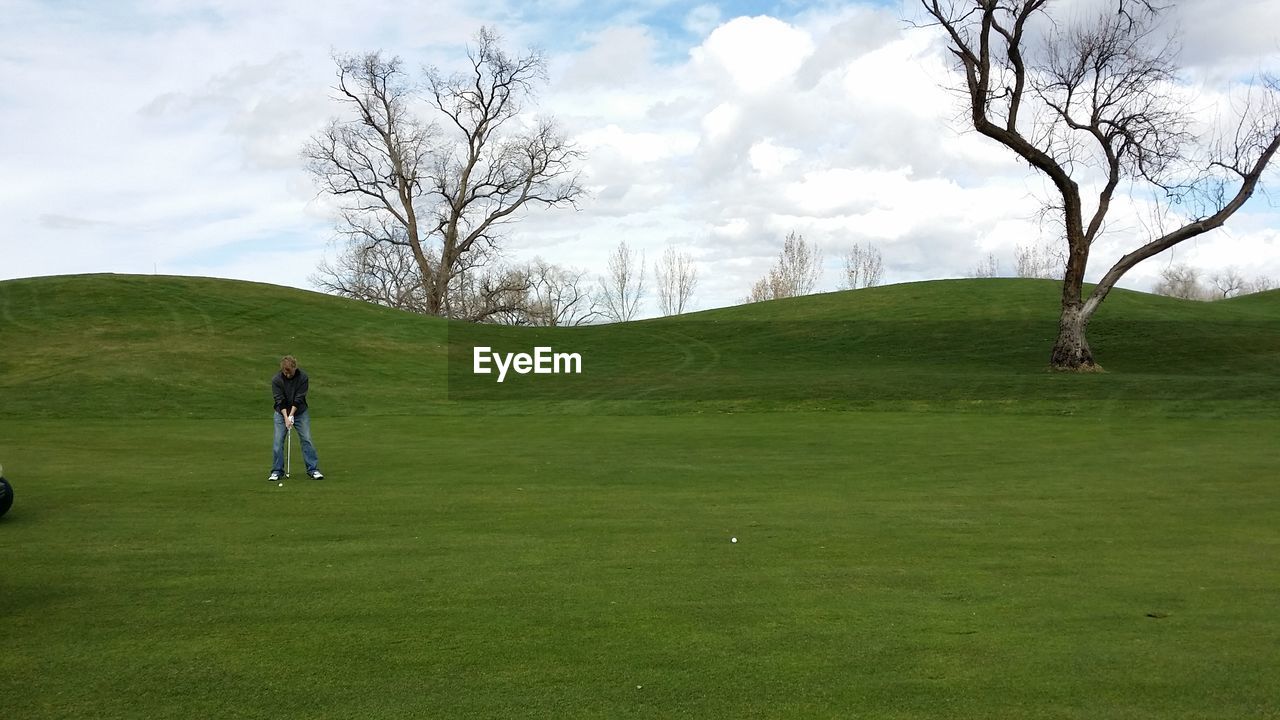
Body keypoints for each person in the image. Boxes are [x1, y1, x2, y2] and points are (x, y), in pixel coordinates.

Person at [269, 355, 324, 481]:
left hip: (300, 413)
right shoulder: (276, 380)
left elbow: (299, 398)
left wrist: (292, 414)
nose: (287, 375)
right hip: (280, 413)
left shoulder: (303, 377)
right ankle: (277, 471)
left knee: (307, 439)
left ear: (295, 367)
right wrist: (286, 417)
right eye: (285, 372)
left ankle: (313, 469)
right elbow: (279, 400)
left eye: (290, 372)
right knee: (278, 442)